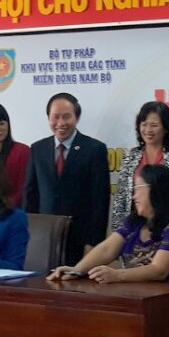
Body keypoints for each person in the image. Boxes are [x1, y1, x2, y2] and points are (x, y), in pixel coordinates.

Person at [48, 164, 169, 284]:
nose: (134, 196)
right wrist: (77, 270)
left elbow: (159, 270)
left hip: (164, 300)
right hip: (130, 296)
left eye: (138, 189)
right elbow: (106, 249)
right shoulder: (133, 224)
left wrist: (117, 275)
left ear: (156, 190)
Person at [23, 92, 110, 264]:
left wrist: (93, 243)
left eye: (66, 117)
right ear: (48, 118)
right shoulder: (38, 149)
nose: (61, 123)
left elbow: (100, 201)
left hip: (80, 240)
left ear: (77, 118)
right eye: (55, 117)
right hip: (43, 239)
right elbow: (30, 196)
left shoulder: (94, 149)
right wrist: (27, 235)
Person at [111, 101, 169, 231]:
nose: (148, 130)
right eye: (144, 124)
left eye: (154, 125)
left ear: (166, 128)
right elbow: (120, 200)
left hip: (167, 227)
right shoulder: (130, 158)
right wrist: (117, 231)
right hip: (134, 227)